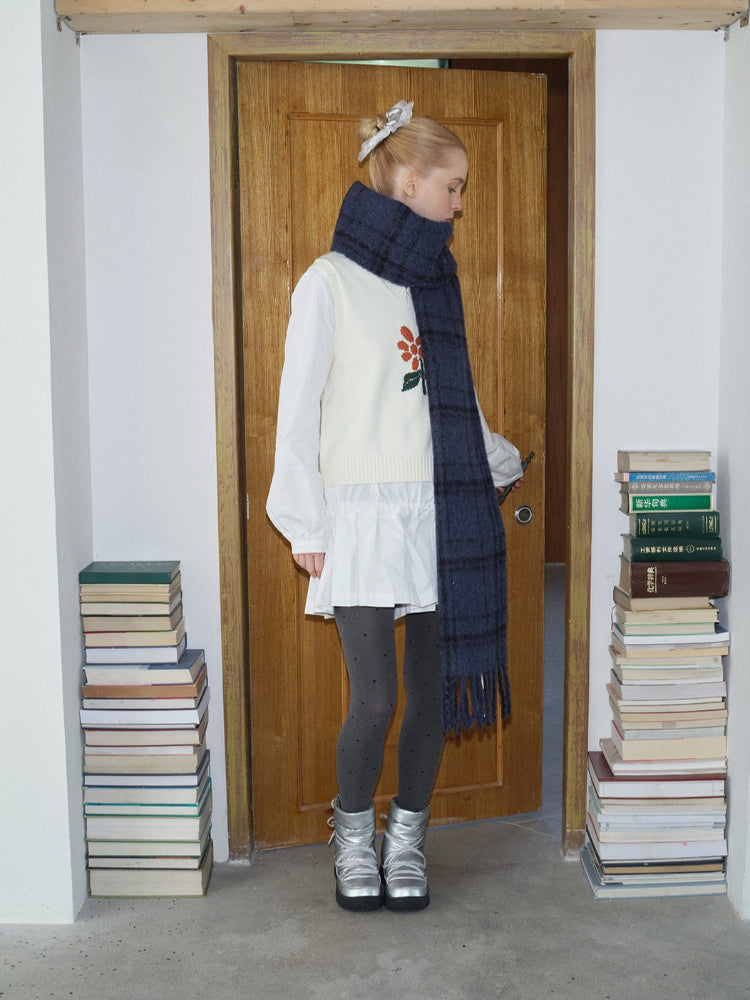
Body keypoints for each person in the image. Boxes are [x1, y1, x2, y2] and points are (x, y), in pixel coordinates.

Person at [266, 100, 524, 913]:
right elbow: (296, 411)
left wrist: (492, 463)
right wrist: (304, 521)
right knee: (375, 698)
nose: (459, 202)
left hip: (438, 513)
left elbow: (449, 401)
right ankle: (352, 835)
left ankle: (406, 835)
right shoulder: (330, 281)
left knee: (432, 692)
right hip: (360, 519)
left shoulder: (436, 282)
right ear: (409, 181)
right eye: (454, 186)